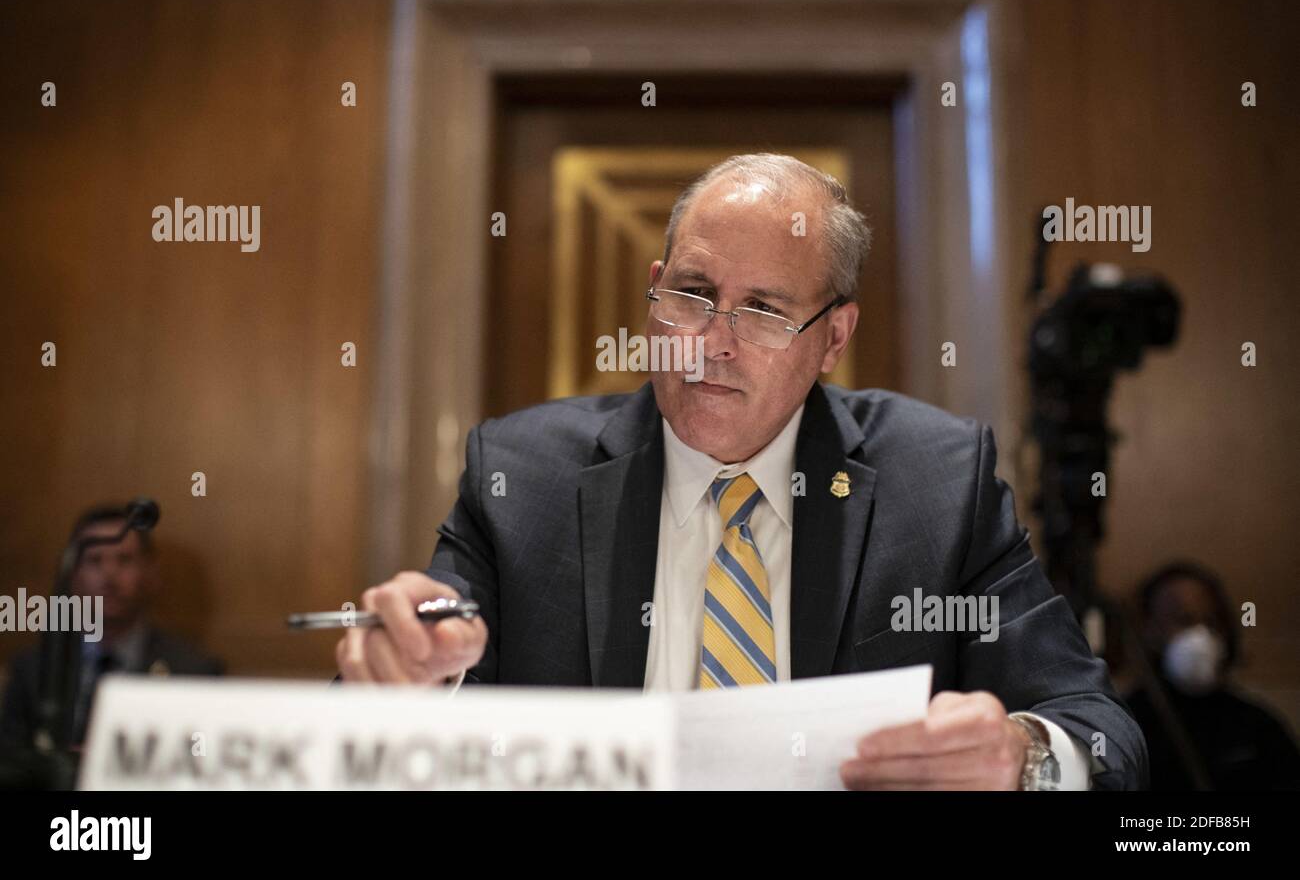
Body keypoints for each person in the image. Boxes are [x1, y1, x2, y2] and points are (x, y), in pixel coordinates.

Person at [337, 153, 1148, 790]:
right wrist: (412, 681)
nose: (713, 343)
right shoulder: (521, 479)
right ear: (654, 296)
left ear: (834, 338)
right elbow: (392, 709)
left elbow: (1100, 730)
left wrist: (1021, 755)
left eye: (764, 311)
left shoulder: (937, 484)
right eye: (692, 295)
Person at [0, 503, 223, 752]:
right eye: (95, 561)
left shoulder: (193, 672)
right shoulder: (33, 671)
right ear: (73, 576)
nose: (109, 575)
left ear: (150, 574)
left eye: (124, 560)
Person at [1125, 559, 1300, 790]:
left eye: (1211, 621)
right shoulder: (1124, 726)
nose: (1200, 634)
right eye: (1183, 620)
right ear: (1150, 630)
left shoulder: (1259, 727)